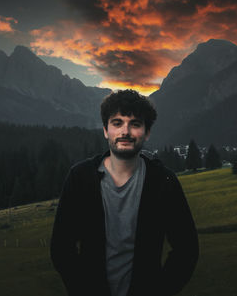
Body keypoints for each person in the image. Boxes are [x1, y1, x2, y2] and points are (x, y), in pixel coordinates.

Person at [51, 89, 199, 296]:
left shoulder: (164, 181)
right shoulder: (80, 178)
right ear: (105, 130)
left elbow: (187, 249)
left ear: (147, 132)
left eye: (135, 124)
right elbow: (61, 248)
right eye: (117, 123)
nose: (125, 131)